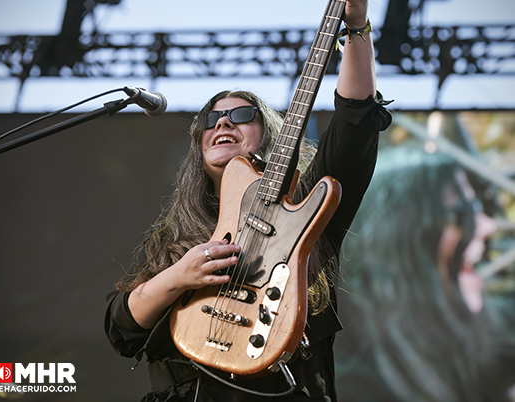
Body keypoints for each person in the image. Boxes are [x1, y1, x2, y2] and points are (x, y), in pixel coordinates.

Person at [105, 0, 392, 400]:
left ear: (272, 135)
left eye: (242, 114)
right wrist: (180, 277)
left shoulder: (307, 208)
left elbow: (355, 123)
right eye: (210, 118)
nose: (222, 122)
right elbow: (120, 327)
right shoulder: (175, 238)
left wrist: (357, 27)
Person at [334, 145, 515, 402]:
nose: (487, 225)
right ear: (395, 241)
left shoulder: (486, 338)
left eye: (475, 207)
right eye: (458, 212)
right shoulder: (354, 386)